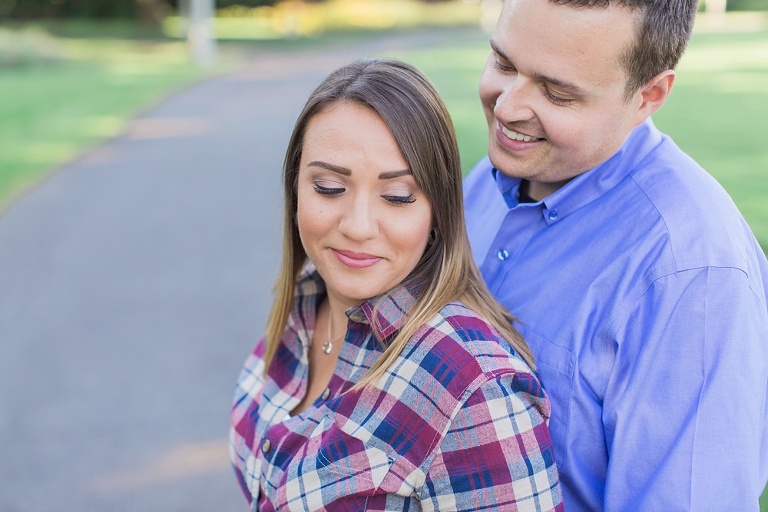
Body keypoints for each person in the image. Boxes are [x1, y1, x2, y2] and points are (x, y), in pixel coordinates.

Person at [463, 0, 768, 510]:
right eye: (503, 63)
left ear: (649, 95)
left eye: (557, 92)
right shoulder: (486, 177)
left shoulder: (691, 274)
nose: (508, 107)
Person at [229, 58, 563, 511]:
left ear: (437, 212)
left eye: (397, 196)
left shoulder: (474, 387)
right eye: (328, 187)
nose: (359, 226)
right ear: (295, 189)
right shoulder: (307, 299)